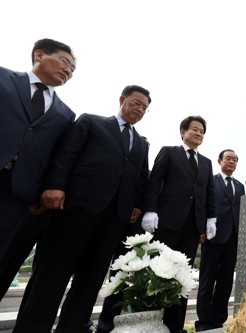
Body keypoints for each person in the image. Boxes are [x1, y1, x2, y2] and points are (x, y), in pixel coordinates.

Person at [13, 85, 151, 333]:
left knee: (90, 282)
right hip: (75, 212)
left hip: (114, 221)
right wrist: (55, 186)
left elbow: (142, 178)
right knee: (51, 276)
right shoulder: (92, 122)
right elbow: (67, 155)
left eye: (144, 107)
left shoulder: (141, 143)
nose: (140, 109)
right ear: (122, 100)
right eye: (136, 103)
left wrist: (138, 205)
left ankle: (72, 328)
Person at [0, 38, 76, 260]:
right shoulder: (3, 77)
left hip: (17, 193)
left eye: (72, 69)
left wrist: (49, 188)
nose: (68, 70)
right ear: (39, 55)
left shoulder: (65, 114)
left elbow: (58, 157)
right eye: (64, 61)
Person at [141, 115, 217, 333]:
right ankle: (153, 323)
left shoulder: (206, 162)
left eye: (202, 131)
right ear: (183, 131)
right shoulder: (169, 152)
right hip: (167, 223)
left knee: (182, 276)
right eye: (195, 129)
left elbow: (208, 193)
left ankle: (175, 326)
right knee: (159, 271)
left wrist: (210, 219)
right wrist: (151, 209)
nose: (199, 134)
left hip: (192, 228)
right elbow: (155, 181)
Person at [195, 149, 245, 332]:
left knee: (225, 282)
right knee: (207, 280)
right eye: (228, 158)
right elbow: (202, 205)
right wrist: (201, 229)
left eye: (234, 159)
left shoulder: (240, 186)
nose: (231, 162)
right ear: (219, 161)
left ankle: (218, 320)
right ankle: (204, 321)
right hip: (212, 236)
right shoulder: (211, 181)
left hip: (233, 239)